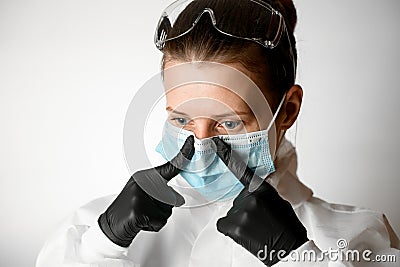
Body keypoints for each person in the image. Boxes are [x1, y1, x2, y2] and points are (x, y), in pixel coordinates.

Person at [36, 0, 399, 266]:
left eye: (229, 123)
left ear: (287, 111)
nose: (202, 147)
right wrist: (102, 248)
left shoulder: (358, 238)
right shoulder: (87, 236)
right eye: (182, 121)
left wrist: (298, 258)